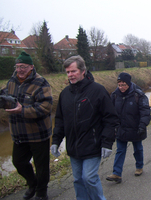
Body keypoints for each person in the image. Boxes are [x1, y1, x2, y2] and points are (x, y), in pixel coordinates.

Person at [51, 55, 119, 200]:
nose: (70, 75)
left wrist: (107, 143)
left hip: (93, 145)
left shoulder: (98, 90)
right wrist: (56, 141)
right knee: (78, 180)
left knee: (89, 178)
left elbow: (110, 118)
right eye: (68, 72)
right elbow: (60, 120)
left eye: (73, 71)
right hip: (73, 147)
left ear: (83, 71)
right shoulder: (64, 94)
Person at [0, 51, 52, 200]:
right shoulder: (12, 82)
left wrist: (23, 110)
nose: (20, 70)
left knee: (41, 166)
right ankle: (33, 183)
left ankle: (42, 192)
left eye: (23, 66)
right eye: (18, 66)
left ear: (31, 67)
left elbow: (46, 107)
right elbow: (4, 97)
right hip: (19, 133)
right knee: (18, 162)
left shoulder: (41, 83)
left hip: (38, 133)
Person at [106, 72, 151, 183]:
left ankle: (139, 166)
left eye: (123, 85)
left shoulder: (138, 95)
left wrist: (142, 125)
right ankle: (117, 173)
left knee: (138, 148)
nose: (121, 87)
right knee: (120, 150)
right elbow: (110, 112)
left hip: (136, 127)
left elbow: (145, 111)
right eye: (119, 85)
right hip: (121, 128)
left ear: (129, 83)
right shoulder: (115, 95)